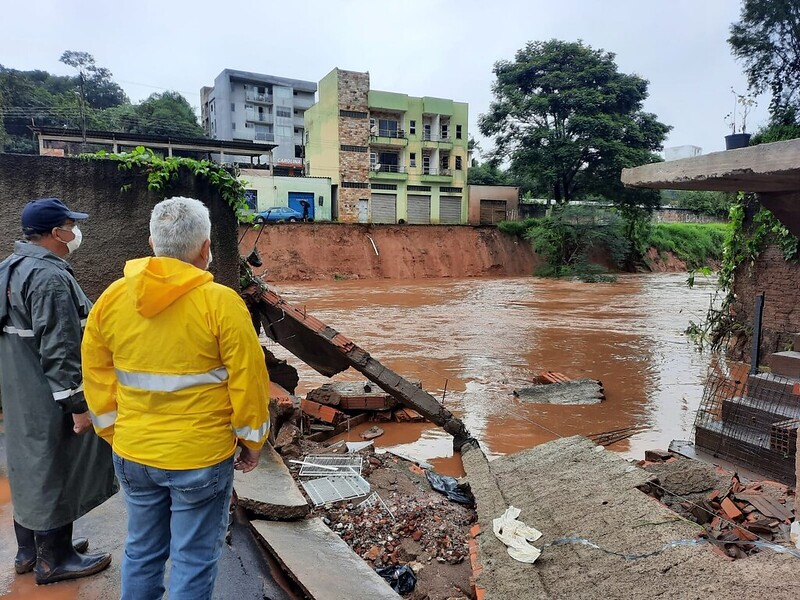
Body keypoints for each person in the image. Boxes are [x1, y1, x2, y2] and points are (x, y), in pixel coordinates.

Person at [82, 196, 270, 600]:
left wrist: (115, 432)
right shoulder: (221, 303)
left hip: (133, 452)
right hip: (199, 458)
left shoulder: (113, 299)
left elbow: (96, 374)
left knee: (142, 550)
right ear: (206, 248)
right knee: (193, 558)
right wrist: (252, 442)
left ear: (152, 243)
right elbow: (249, 381)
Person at [0, 198, 116, 585]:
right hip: (48, 394)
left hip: (20, 392)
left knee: (29, 465)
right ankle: (56, 560)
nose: (75, 232)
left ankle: (28, 552)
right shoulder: (49, 277)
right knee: (56, 467)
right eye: (71, 225)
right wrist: (78, 406)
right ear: (55, 233)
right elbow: (61, 348)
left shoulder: (8, 268)